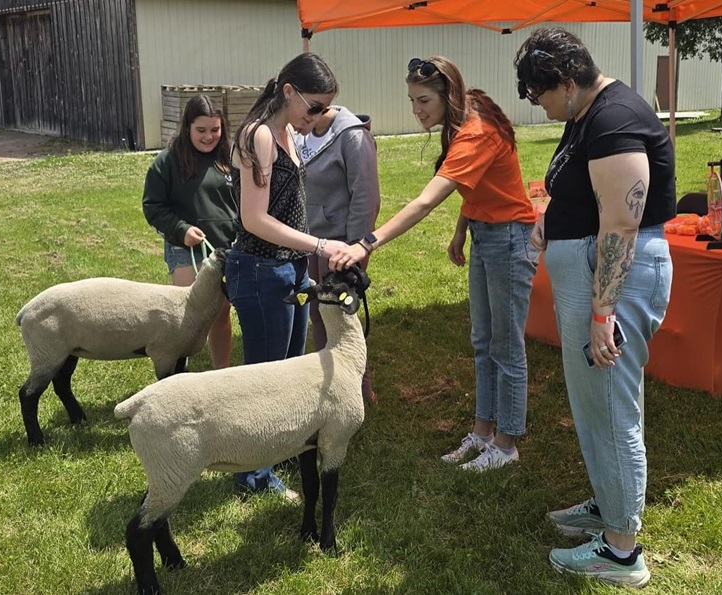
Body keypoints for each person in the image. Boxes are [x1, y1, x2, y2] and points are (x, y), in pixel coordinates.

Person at [514, 27, 675, 588]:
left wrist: (603, 311)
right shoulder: (587, 117)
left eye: (542, 96)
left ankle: (623, 550)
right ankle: (611, 507)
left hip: (615, 281)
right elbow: (584, 196)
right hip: (588, 271)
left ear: (566, 81)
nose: (541, 108)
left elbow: (623, 219)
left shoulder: (614, 118)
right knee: (595, 404)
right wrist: (549, 222)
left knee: (611, 409)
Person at [330, 56, 538, 471]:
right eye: (412, 100)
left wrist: (368, 241)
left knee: (506, 346)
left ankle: (507, 441)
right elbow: (477, 184)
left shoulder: (476, 131)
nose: (417, 110)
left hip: (511, 239)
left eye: (423, 100)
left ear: (449, 95)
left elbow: (426, 201)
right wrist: (463, 228)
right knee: (483, 340)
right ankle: (482, 431)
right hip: (485, 233)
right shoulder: (465, 114)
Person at [226, 52, 348, 497]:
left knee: (285, 378)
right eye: (312, 107)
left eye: (324, 110)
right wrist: (318, 245)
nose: (316, 117)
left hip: (288, 270)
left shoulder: (287, 134)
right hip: (260, 270)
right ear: (289, 92)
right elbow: (255, 219)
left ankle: (269, 461)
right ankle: (250, 476)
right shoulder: (258, 135)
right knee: (262, 383)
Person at [293, 105, 380, 404]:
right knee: (318, 312)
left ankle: (359, 388)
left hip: (341, 245)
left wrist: (355, 249)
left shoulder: (352, 137)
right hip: (312, 241)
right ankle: (327, 384)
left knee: (343, 317)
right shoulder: (304, 134)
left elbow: (366, 197)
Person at [142, 94, 235, 369]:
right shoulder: (167, 162)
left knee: (221, 314)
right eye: (201, 130)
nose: (209, 137)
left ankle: (222, 374)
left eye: (215, 130)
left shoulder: (231, 158)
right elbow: (153, 206)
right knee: (189, 315)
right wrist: (181, 230)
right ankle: (179, 375)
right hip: (187, 251)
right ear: (187, 127)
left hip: (226, 250)